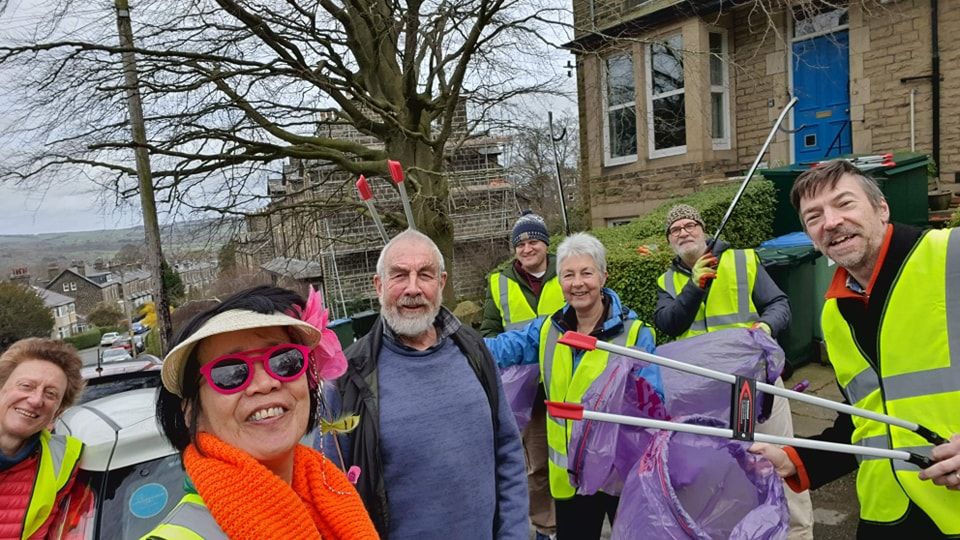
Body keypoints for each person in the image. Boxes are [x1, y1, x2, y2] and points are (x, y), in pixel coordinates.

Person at [750, 159, 960, 537]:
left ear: (882, 209)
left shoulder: (952, 256)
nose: (830, 222)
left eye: (844, 204)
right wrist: (794, 459)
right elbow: (863, 421)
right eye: (813, 216)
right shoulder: (834, 313)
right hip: (885, 518)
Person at [322, 229, 529, 539]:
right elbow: (331, 491)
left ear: (442, 284)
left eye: (426, 275)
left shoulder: (475, 351)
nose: (413, 288)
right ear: (379, 286)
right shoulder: (347, 379)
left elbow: (508, 452)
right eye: (400, 275)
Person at [144, 285, 379, 540]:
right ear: (191, 413)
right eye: (230, 372)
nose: (266, 383)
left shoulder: (330, 505)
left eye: (284, 360)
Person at [653, 203, 814, 539]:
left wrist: (766, 329)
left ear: (703, 229)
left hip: (755, 382)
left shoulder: (742, 260)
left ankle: (798, 533)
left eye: (690, 225)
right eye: (676, 229)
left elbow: (779, 304)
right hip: (706, 399)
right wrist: (694, 287)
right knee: (729, 477)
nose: (684, 232)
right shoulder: (667, 282)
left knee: (783, 461)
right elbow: (669, 323)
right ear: (670, 239)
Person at [484, 232, 659, 540]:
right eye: (569, 275)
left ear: (604, 276)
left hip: (619, 476)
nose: (578, 283)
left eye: (586, 273)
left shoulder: (634, 336)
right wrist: (458, 344)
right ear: (560, 282)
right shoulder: (548, 329)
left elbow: (654, 405)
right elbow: (503, 348)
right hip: (571, 478)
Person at [480, 211, 564, 540]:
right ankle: (547, 527)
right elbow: (489, 332)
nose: (527, 248)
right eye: (520, 244)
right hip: (529, 394)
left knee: (577, 457)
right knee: (537, 465)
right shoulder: (498, 282)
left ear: (545, 243)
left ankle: (577, 518)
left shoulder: (567, 269)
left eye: (532, 241)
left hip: (570, 382)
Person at [0, 338, 85, 539]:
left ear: (57, 413)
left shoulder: (64, 461)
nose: (36, 400)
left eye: (51, 394)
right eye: (26, 386)